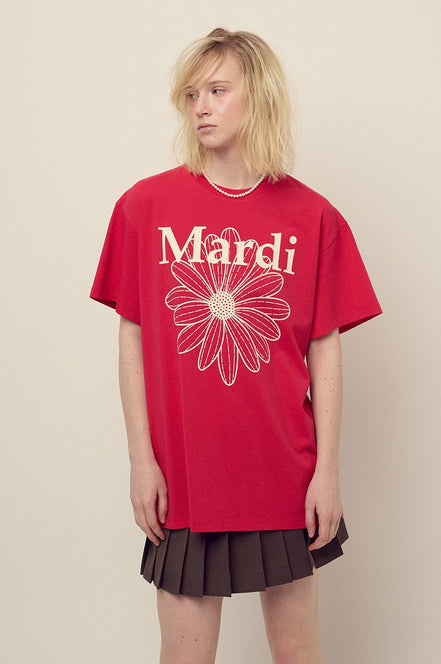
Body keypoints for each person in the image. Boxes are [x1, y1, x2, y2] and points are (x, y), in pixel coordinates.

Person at [90, 27, 381, 664]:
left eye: (218, 91)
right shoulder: (144, 207)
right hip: (185, 473)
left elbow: (325, 348)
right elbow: (132, 335)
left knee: (297, 651)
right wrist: (141, 460)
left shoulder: (314, 217)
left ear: (260, 97)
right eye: (191, 94)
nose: (201, 107)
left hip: (282, 469)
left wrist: (326, 473)